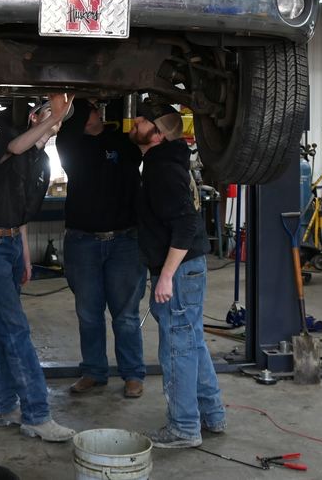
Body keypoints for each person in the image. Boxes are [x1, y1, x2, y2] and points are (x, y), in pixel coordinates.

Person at [0, 93, 77, 443]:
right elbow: (17, 146)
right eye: (47, 118)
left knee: (1, 329)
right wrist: (50, 118)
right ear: (33, 119)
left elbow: (21, 210)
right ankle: (36, 414)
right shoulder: (6, 143)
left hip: (11, 244)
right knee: (15, 330)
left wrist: (25, 255)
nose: (54, 125)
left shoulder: (39, 161)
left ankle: (0, 408)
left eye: (57, 122)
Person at [130, 101, 226, 448]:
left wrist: (166, 275)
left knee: (177, 348)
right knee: (192, 342)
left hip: (180, 270)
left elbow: (186, 224)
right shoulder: (167, 161)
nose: (135, 123)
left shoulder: (160, 170)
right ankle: (212, 414)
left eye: (141, 120)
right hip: (189, 267)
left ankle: (184, 427)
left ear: (157, 134)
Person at [56, 99, 147, 398]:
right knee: (89, 313)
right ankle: (94, 372)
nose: (99, 112)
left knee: (126, 315)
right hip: (83, 242)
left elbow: (142, 139)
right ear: (82, 117)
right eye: (93, 109)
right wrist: (69, 104)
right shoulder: (69, 146)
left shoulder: (122, 141)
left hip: (125, 241)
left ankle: (133, 375)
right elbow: (67, 124)